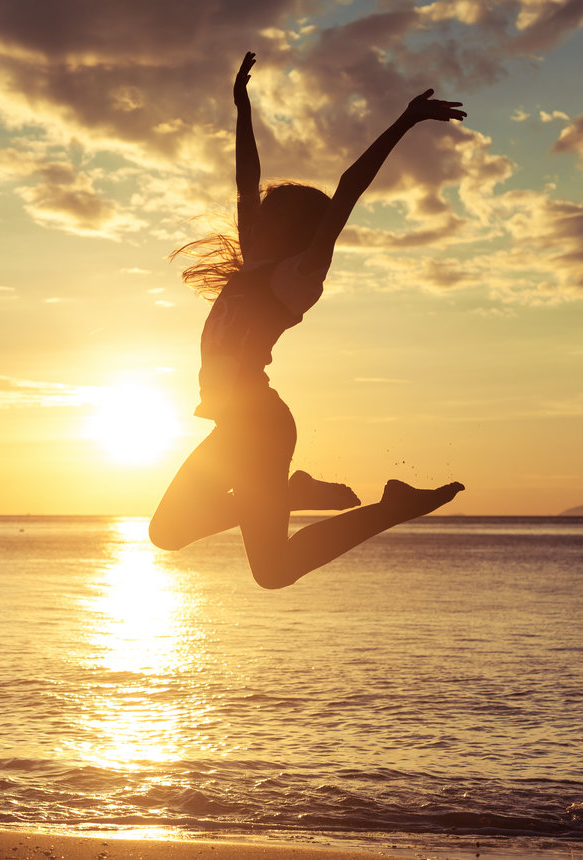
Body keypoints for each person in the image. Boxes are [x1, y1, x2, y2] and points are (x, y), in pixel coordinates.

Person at [149, 51, 466, 589]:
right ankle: (290, 495)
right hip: (235, 426)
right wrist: (242, 107)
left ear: (290, 229)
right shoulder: (257, 265)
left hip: (260, 430)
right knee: (165, 533)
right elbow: (245, 183)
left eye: (269, 215)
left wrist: (405, 122)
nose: (255, 216)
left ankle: (391, 506)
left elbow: (349, 187)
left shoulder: (297, 276)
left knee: (273, 572)